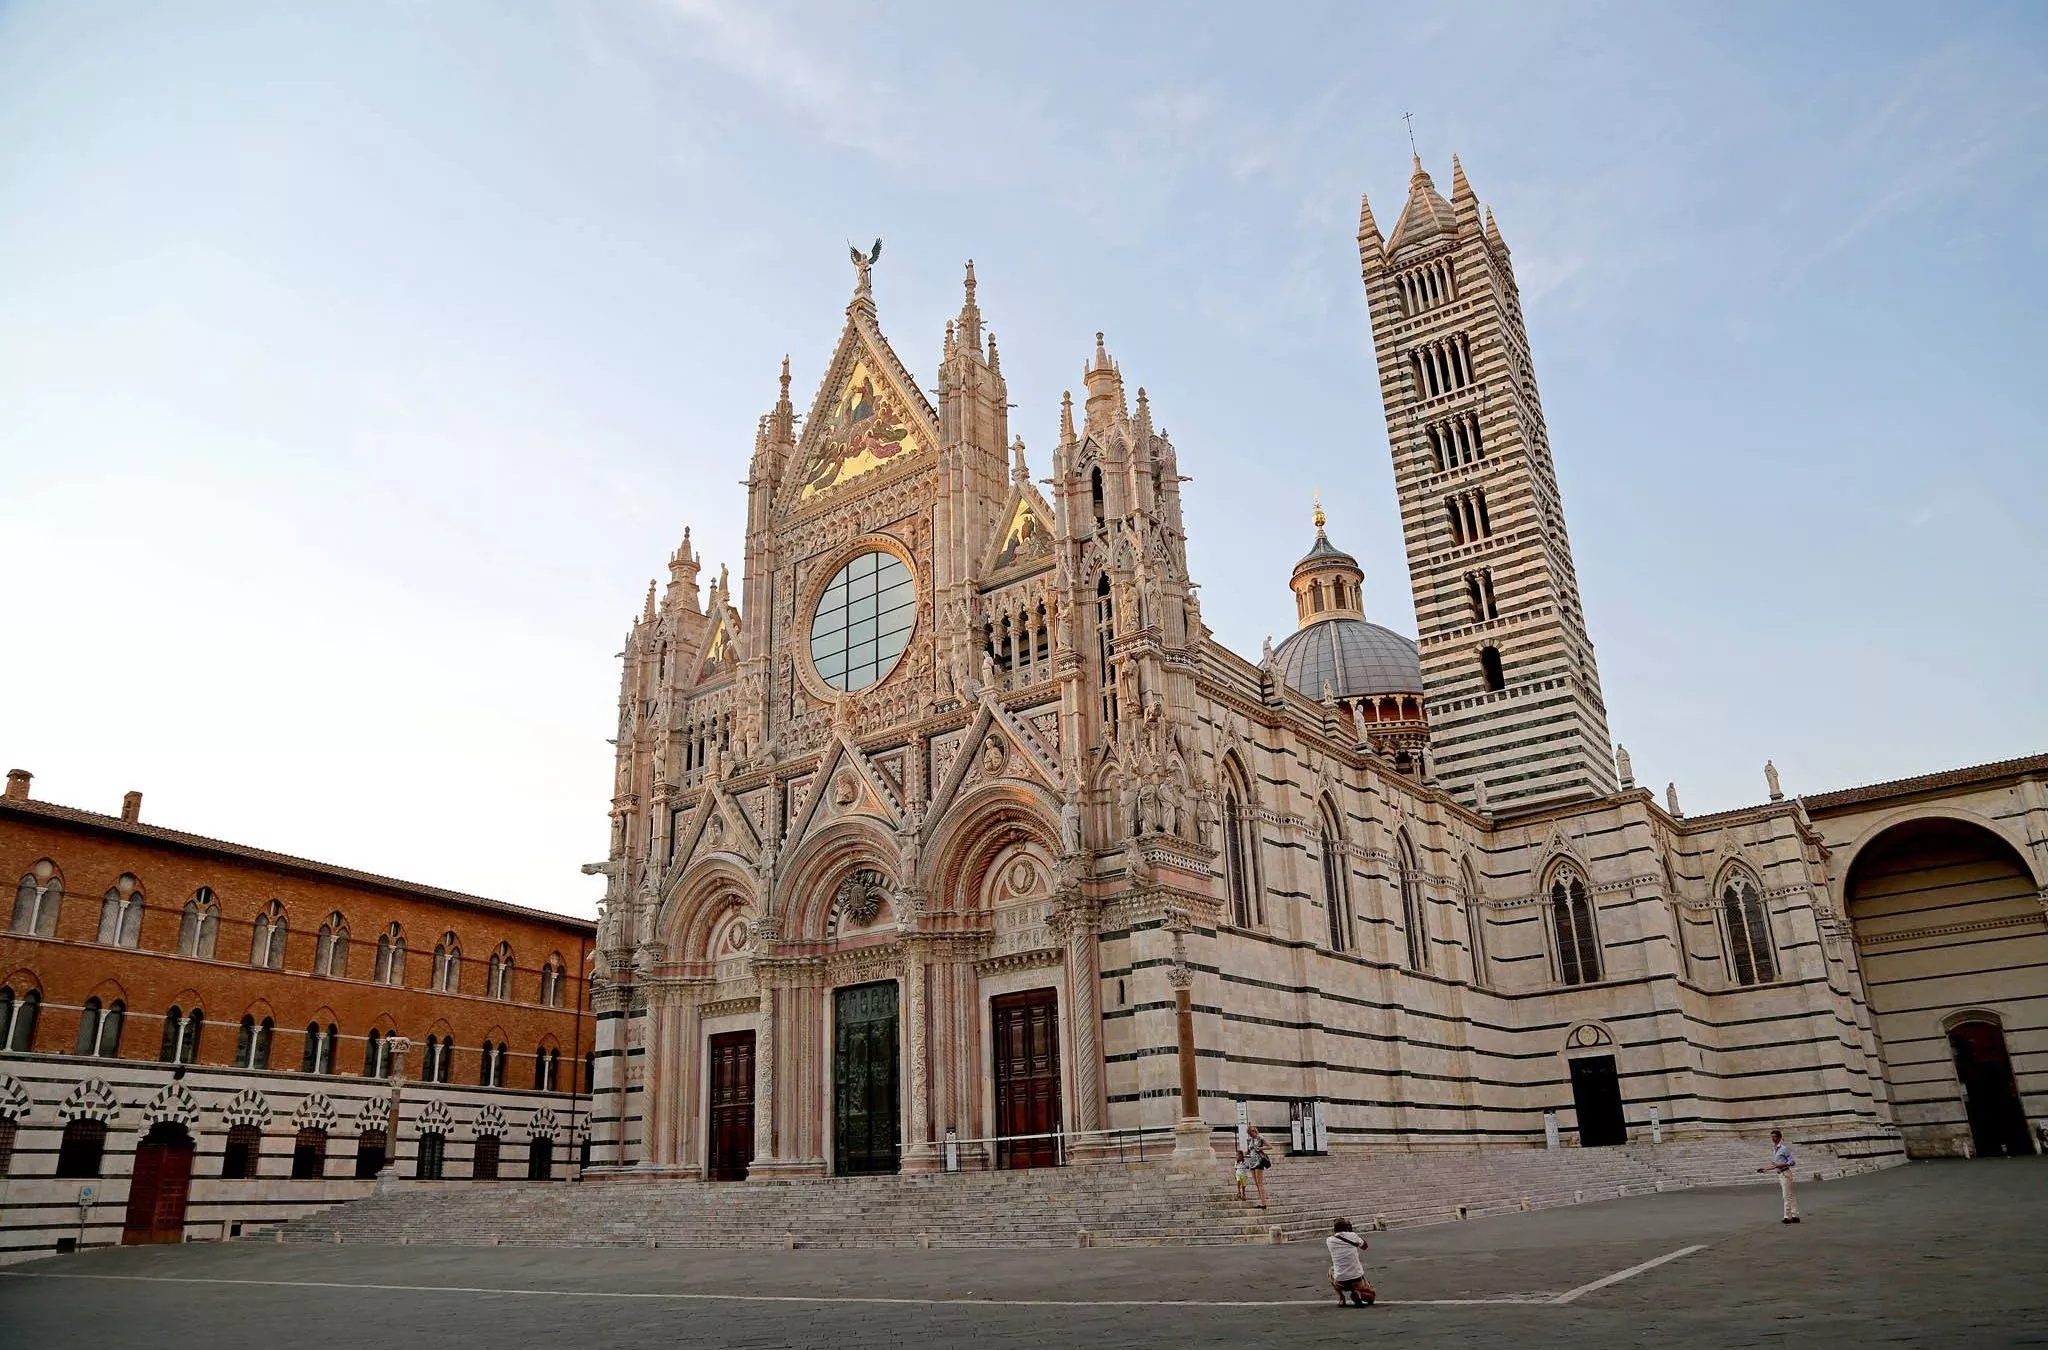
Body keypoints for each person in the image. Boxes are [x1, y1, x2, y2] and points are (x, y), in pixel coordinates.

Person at [1326, 1218, 1375, 1307]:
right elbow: (1365, 1246)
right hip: (1356, 1278)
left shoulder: (1329, 1240)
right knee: (1371, 1296)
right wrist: (1352, 1232)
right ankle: (1358, 1294)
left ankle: (1341, 1298)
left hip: (1341, 1280)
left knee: (1330, 1271)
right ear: (1347, 1228)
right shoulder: (1352, 1236)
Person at [1756, 1128, 1799, 1223]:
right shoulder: (1775, 1149)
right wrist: (1765, 1169)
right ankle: (1795, 1214)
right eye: (1772, 1137)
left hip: (1785, 1172)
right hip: (1781, 1173)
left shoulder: (1784, 1148)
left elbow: (1792, 1161)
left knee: (1786, 1195)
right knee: (1790, 1195)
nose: (1773, 1138)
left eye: (1775, 1136)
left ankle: (1787, 1217)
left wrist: (1782, 1165)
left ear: (1780, 1137)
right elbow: (1776, 1164)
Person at [1242, 1125, 1271, 1209]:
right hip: (1252, 1162)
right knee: (1256, 1183)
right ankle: (1262, 1202)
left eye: (1250, 1133)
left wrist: (1260, 1148)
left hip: (1259, 1161)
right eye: (1249, 1133)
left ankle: (1263, 1203)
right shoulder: (1250, 1140)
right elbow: (1249, 1151)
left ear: (1254, 1131)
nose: (1250, 1135)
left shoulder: (1260, 1137)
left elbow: (1270, 1146)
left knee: (1260, 1183)